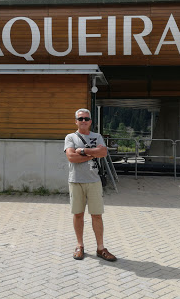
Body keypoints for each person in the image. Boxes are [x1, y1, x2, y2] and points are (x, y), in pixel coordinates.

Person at [64, 108, 117, 262]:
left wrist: (83, 151)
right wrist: (93, 153)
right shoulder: (70, 137)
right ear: (76, 121)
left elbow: (103, 153)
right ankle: (79, 246)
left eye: (86, 118)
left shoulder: (97, 136)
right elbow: (71, 157)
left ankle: (101, 248)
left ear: (91, 121)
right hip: (76, 180)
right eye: (80, 119)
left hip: (94, 181)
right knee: (78, 214)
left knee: (97, 215)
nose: (84, 121)